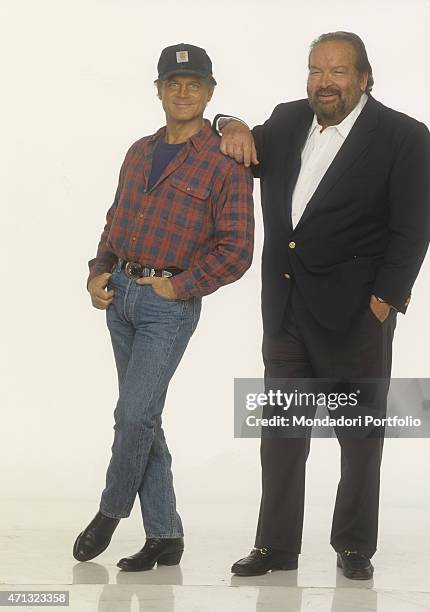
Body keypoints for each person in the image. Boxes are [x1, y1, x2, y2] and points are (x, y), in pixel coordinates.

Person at [216, 31, 430, 579]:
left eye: (338, 71)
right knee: (281, 436)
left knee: (359, 436)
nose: (325, 81)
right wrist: (231, 124)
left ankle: (355, 544)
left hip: (357, 316)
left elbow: (413, 229)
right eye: (316, 70)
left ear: (364, 78)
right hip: (287, 312)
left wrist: (384, 302)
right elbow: (239, 139)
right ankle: (276, 546)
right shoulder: (288, 120)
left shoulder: (403, 136)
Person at [73, 43, 254, 572]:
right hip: (119, 298)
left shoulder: (225, 161)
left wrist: (183, 287)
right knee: (144, 417)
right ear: (158, 90)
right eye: (173, 83)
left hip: (166, 306)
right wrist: (96, 271)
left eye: (194, 84)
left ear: (210, 92)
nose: (183, 92)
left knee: (132, 414)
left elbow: (238, 248)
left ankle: (110, 511)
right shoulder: (137, 151)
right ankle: (166, 534)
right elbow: (116, 219)